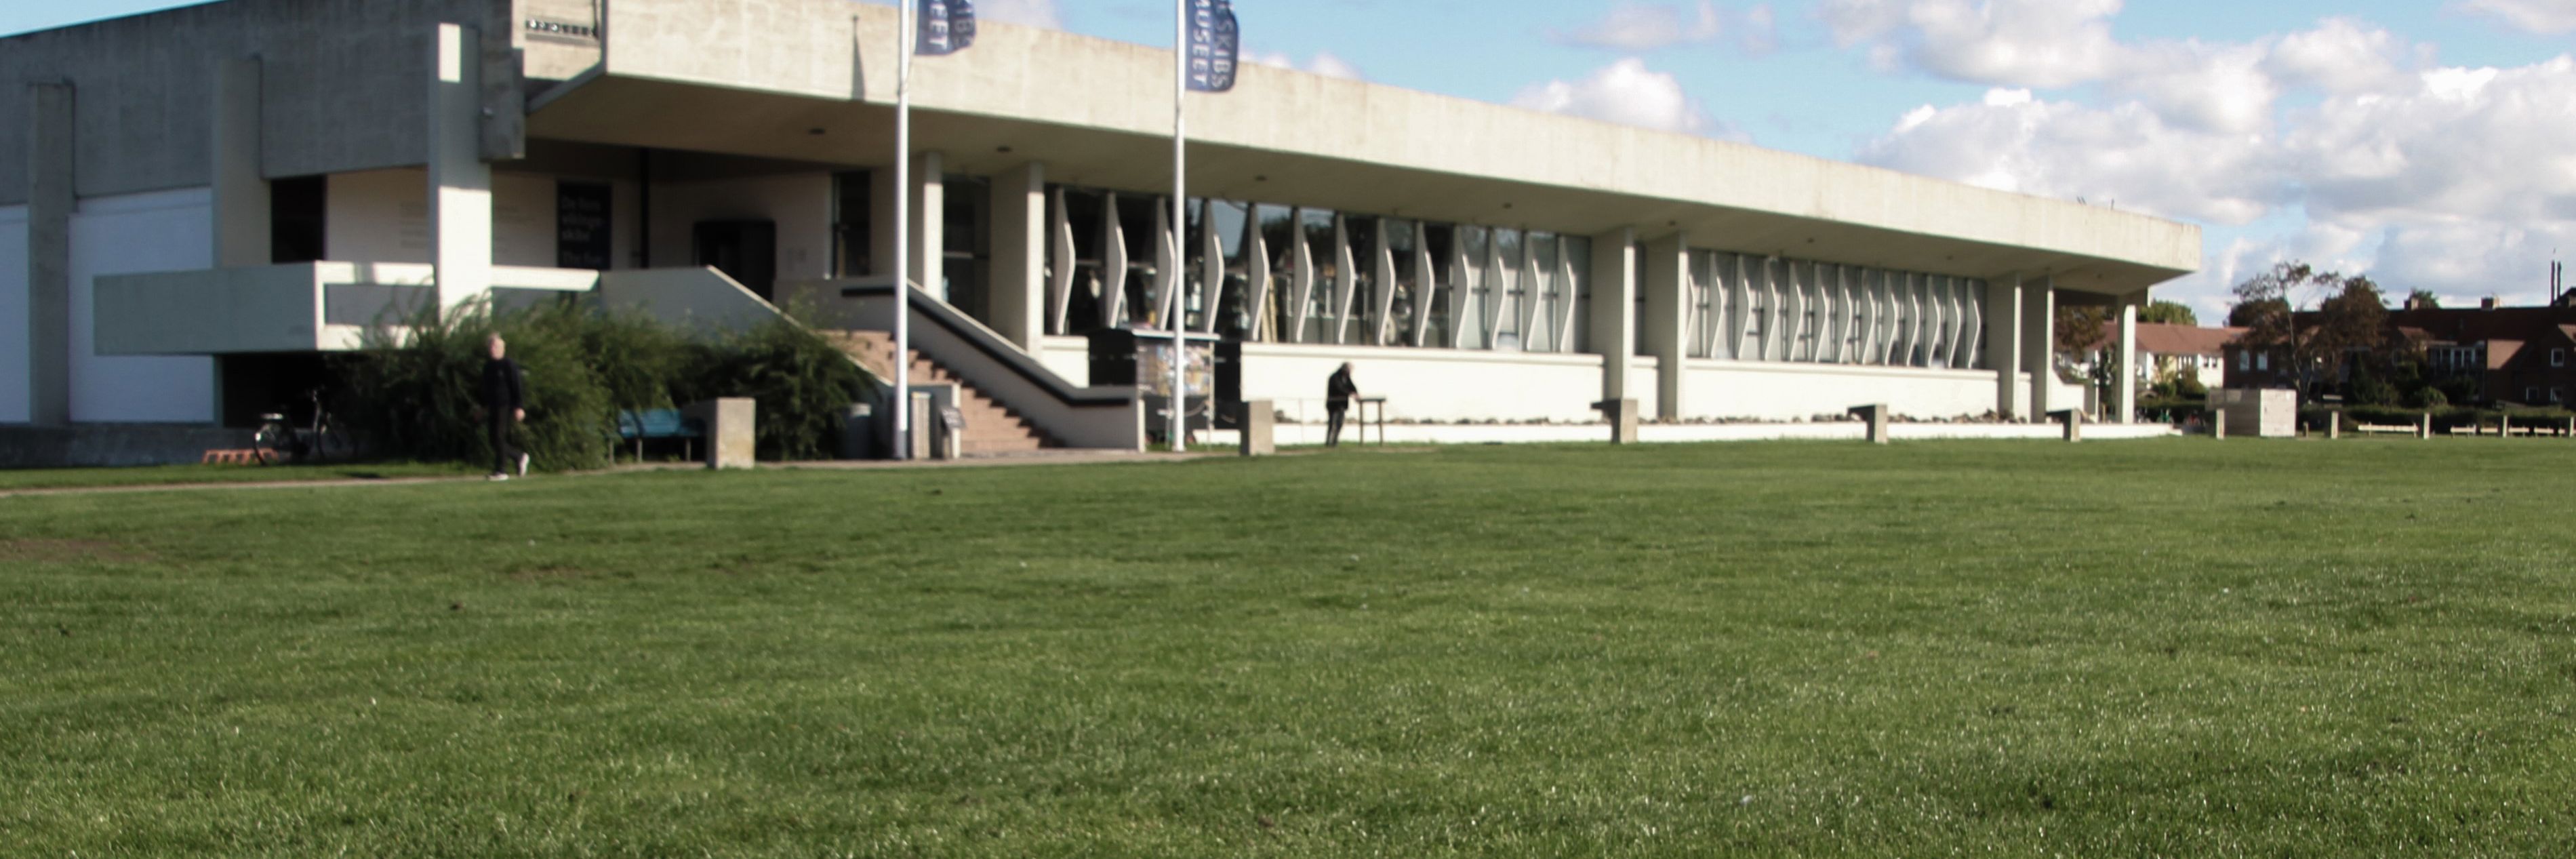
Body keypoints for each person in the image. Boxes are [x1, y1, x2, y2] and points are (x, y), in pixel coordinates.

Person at [477, 333, 529, 481]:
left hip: (505, 405)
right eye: (491, 346)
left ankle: (501, 470)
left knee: (499, 436)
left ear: (502, 348)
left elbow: (516, 386)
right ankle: (519, 456)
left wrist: (519, 407)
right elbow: (485, 389)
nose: (492, 349)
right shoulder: (488, 367)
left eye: (496, 346)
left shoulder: (508, 365)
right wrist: (482, 408)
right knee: (493, 439)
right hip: (492, 405)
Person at [1325, 361, 1358, 447]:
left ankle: (1335, 441)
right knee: (1332, 423)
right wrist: (1350, 393)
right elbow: (1339, 388)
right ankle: (1329, 441)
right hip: (1334, 404)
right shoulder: (1335, 377)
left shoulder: (1346, 377)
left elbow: (1351, 386)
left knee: (1340, 423)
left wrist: (1355, 393)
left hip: (1342, 405)